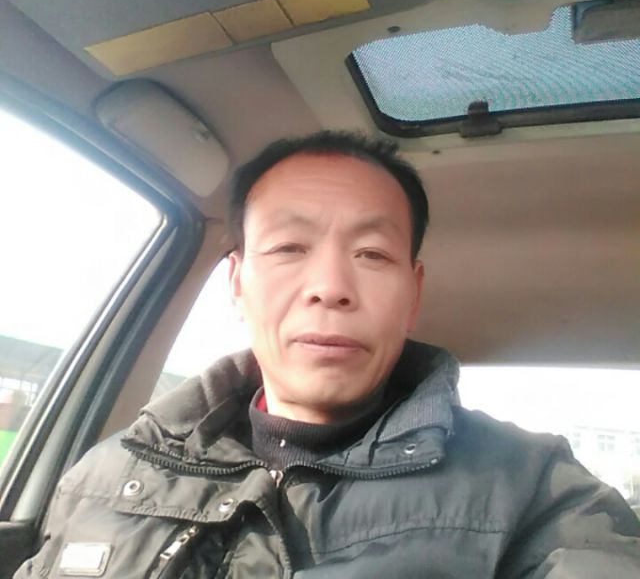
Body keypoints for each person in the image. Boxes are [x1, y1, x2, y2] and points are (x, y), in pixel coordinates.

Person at [15, 131, 640, 578]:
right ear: (237, 283)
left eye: (372, 254)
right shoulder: (104, 477)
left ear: (414, 293)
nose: (331, 286)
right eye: (289, 248)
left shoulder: (534, 491)